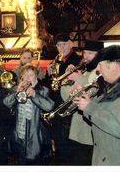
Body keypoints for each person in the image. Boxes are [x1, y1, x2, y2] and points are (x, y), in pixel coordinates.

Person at [74, 45, 120, 165]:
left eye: (100, 65)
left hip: (119, 160)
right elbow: (108, 110)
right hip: (108, 156)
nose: (98, 70)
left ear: (113, 65)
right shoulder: (116, 84)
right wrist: (87, 100)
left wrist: (89, 107)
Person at [59, 40, 104, 165]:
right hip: (76, 129)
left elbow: (95, 90)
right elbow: (67, 97)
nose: (85, 57)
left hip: (90, 132)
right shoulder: (84, 70)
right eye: (84, 53)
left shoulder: (101, 72)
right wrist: (66, 79)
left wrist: (78, 78)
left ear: (99, 55)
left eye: (90, 53)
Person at [4, 64, 54, 165]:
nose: (27, 78)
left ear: (36, 76)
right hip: (19, 136)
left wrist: (35, 95)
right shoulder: (16, 88)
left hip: (35, 138)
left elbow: (49, 107)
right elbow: (6, 103)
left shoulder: (43, 90)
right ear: (21, 76)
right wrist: (16, 92)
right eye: (25, 75)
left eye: (31, 75)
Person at [45, 33, 81, 165]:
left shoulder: (77, 61)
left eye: (64, 44)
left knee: (68, 145)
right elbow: (51, 86)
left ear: (71, 44)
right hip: (57, 106)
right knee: (59, 141)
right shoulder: (56, 60)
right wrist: (49, 75)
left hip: (69, 108)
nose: (61, 47)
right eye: (58, 45)